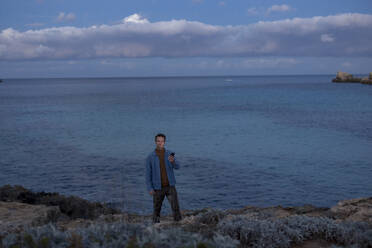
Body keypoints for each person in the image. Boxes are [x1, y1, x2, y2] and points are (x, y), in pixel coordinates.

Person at [145, 133, 182, 223]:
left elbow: (178, 167)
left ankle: (178, 226)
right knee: (156, 210)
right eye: (158, 141)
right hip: (157, 188)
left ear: (164, 142)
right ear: (155, 142)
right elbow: (148, 174)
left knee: (176, 208)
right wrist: (150, 188)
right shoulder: (150, 157)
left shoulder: (169, 154)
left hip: (170, 186)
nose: (160, 143)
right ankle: (155, 229)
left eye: (162, 141)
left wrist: (173, 162)